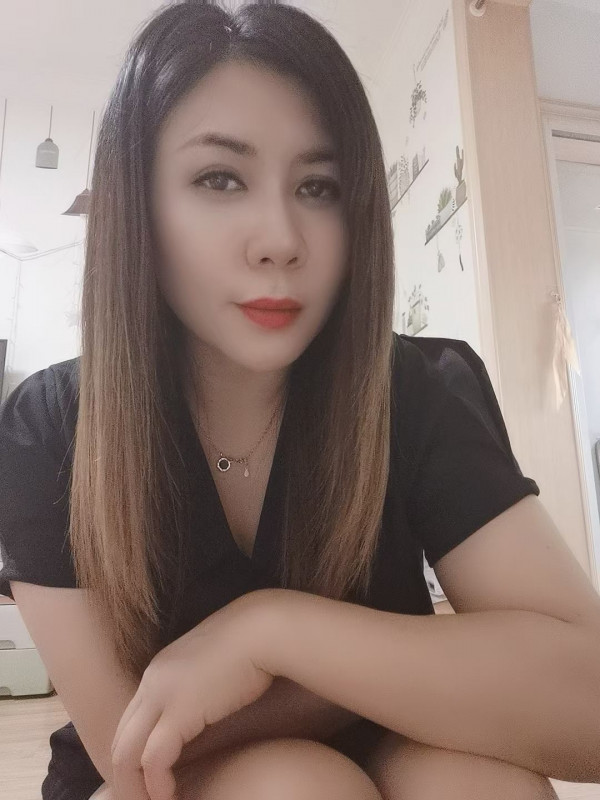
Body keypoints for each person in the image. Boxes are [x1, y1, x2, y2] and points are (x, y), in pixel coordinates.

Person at [0, 3, 550, 799]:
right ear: (137, 207)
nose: (282, 239)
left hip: (395, 743)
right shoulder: (49, 428)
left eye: (318, 186)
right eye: (219, 179)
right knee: (295, 785)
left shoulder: (416, 390)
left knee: (477, 785)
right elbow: (136, 751)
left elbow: (585, 699)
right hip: (156, 782)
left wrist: (271, 635)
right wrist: (370, 670)